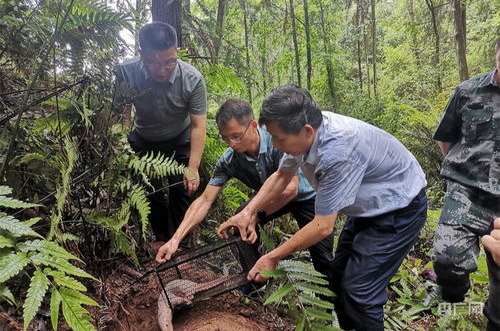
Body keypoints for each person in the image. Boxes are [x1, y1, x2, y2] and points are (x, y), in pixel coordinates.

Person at [218, 85, 427, 331]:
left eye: (278, 138)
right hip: (366, 208)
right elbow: (282, 175)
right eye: (271, 136)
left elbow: (322, 226)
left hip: (399, 208)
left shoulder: (336, 152)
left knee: (360, 291)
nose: (274, 144)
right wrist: (247, 212)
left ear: (306, 131)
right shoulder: (305, 133)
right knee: (337, 279)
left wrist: (272, 256)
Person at [156, 99, 334, 280]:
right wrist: (175, 239)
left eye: (236, 135)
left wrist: (252, 214)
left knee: (323, 258)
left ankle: (329, 302)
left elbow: (290, 189)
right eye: (225, 138)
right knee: (239, 221)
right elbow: (205, 200)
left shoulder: (278, 141)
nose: (231, 143)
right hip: (270, 200)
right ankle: (253, 282)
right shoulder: (229, 160)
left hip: (307, 198)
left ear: (253, 126)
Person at [114, 22, 207, 248]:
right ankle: (160, 239)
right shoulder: (127, 71)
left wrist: (192, 168)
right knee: (150, 188)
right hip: (144, 136)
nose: (162, 69)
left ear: (177, 52)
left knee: (181, 188)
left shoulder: (193, 79)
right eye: (153, 63)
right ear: (141, 54)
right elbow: (122, 115)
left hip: (180, 136)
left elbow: (198, 126)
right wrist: (119, 143)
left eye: (169, 62)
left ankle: (179, 244)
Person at [431, 38, 500, 331]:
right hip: (467, 192)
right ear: (496, 52)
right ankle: (453, 295)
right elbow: (446, 137)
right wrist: (462, 172)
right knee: (448, 258)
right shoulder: (468, 91)